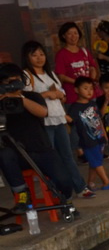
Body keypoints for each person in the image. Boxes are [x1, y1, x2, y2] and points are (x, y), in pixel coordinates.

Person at [23, 40, 87, 197]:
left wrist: (60, 96)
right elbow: (25, 98)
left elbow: (62, 95)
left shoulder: (50, 74)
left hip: (58, 118)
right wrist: (47, 94)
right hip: (44, 121)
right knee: (50, 159)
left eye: (42, 54)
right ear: (27, 57)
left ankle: (79, 187)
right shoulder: (26, 75)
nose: (39, 58)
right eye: (35, 55)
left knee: (67, 155)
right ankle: (56, 191)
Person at [67, 77, 109, 192]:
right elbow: (69, 120)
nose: (89, 91)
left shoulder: (92, 103)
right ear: (76, 90)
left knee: (95, 161)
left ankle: (90, 183)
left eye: (91, 88)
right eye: (85, 88)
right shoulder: (75, 107)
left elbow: (99, 118)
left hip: (99, 137)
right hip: (88, 140)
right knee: (96, 161)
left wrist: (104, 134)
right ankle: (106, 182)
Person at [55, 21, 100, 106]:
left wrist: (90, 80)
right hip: (73, 96)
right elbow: (61, 76)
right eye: (69, 34)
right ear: (63, 36)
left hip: (90, 94)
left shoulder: (84, 51)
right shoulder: (61, 54)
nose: (73, 36)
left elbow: (92, 67)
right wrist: (80, 83)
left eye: (75, 33)